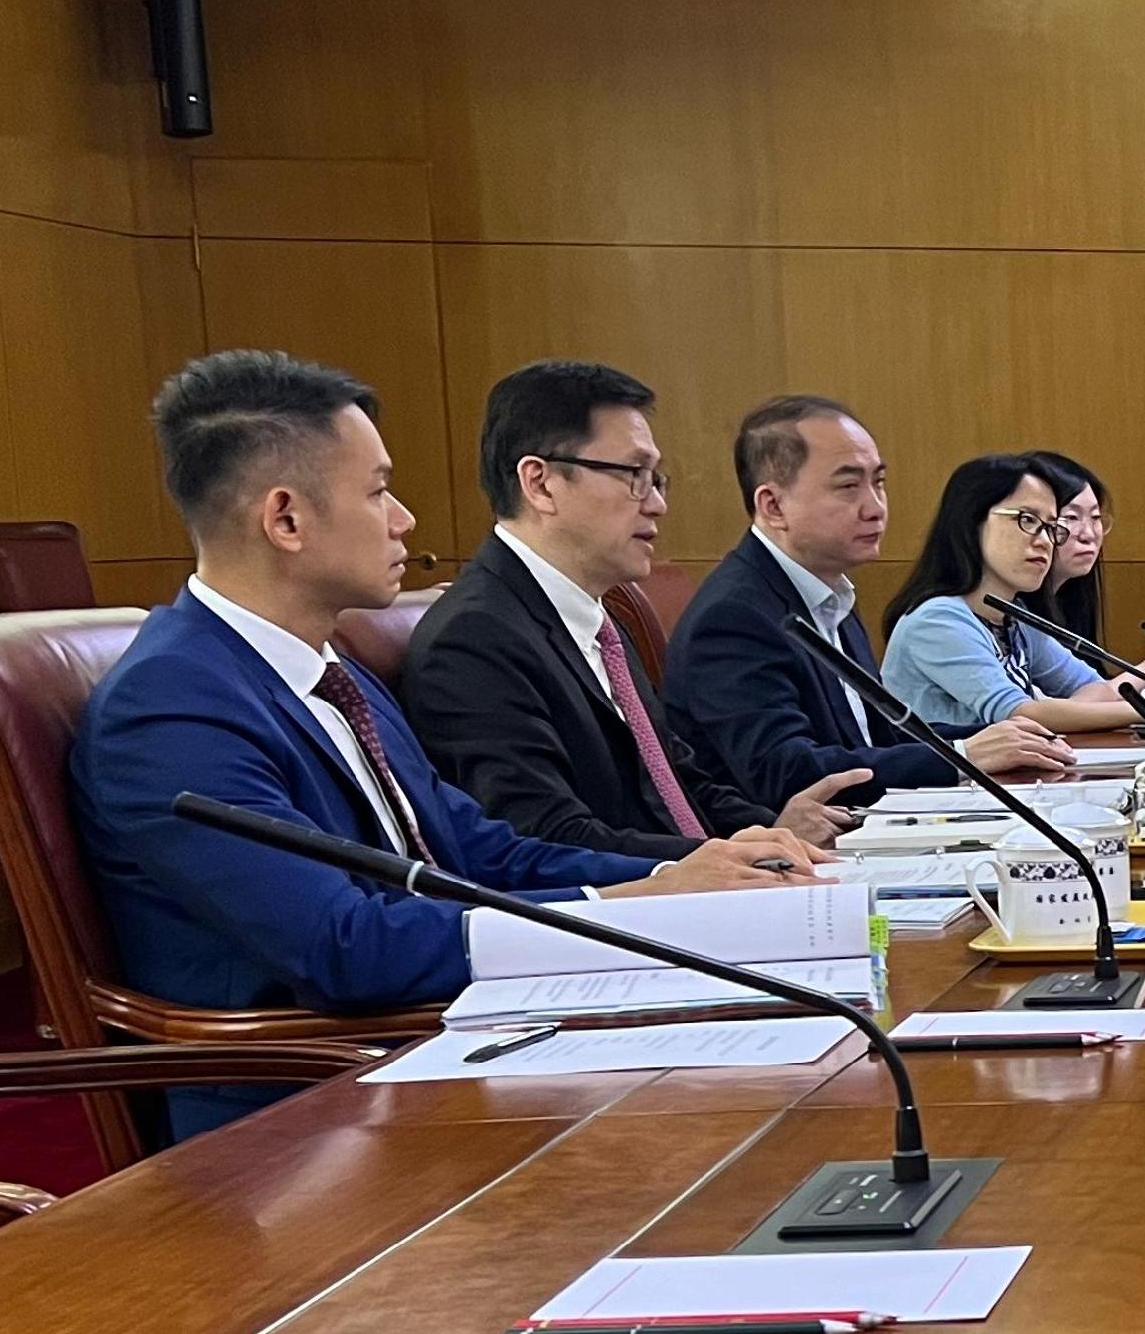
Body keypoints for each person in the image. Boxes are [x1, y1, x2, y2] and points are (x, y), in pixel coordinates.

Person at [68, 353, 817, 1134]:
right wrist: (633, 909)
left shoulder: (332, 670)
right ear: (285, 519)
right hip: (299, 1113)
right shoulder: (172, 709)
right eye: (379, 490)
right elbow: (343, 945)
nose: (405, 519)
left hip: (438, 1044)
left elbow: (481, 851)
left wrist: (681, 873)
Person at [400, 362, 873, 862]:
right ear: (540, 484)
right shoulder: (475, 640)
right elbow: (545, 836)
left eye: (656, 479)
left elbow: (676, 781)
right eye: (632, 476)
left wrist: (773, 830)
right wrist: (719, 859)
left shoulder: (598, 619)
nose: (656, 504)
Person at [668, 397, 1072, 805]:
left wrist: (1000, 740)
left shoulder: (829, 593)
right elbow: (786, 771)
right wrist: (962, 756)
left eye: (878, 482)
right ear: (773, 506)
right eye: (848, 486)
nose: (875, 507)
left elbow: (878, 735)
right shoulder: (734, 615)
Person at [882, 455, 1145, 736]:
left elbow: (1092, 688)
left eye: (1050, 527)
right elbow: (1018, 712)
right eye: (1027, 520)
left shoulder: (1012, 614)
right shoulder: (938, 619)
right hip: (940, 792)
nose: (1046, 541)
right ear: (970, 521)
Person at [1022, 450, 1145, 687]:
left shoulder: (1070, 599)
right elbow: (1045, 707)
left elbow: (1089, 689)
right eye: (1072, 518)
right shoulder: (1012, 613)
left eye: (1095, 518)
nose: (1088, 534)